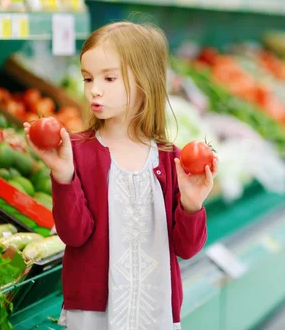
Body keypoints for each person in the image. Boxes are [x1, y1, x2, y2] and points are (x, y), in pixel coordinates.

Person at [24, 22, 218, 330]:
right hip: (94, 315)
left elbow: (187, 248)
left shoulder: (171, 160)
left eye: (109, 78)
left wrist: (192, 206)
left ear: (144, 81)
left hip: (155, 311)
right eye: (87, 78)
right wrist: (63, 175)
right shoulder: (76, 151)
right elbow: (73, 235)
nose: (94, 89)